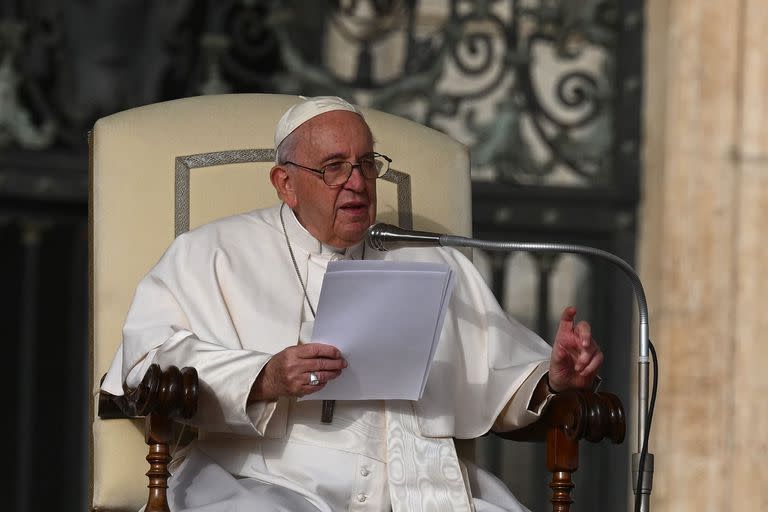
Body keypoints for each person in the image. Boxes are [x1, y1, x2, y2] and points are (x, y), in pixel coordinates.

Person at [101, 96, 603, 512]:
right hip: (265, 481)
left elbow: (500, 373)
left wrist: (553, 378)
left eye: (366, 164)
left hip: (422, 488)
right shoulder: (212, 253)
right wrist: (265, 377)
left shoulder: (431, 260)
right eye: (334, 167)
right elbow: (147, 361)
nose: (358, 182)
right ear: (285, 184)